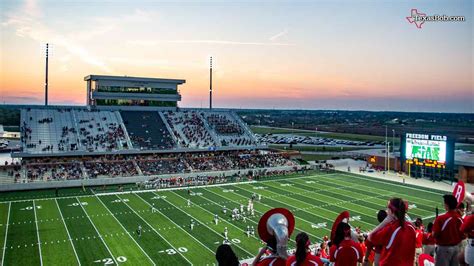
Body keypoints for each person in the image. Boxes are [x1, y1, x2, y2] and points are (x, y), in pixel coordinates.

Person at [368, 198, 416, 266]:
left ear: (391, 211)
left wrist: (386, 221)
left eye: (387, 208)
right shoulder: (411, 227)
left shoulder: (390, 229)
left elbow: (370, 237)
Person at [433, 195, 465, 266]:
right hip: (456, 248)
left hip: (443, 249)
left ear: (447, 205)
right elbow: (464, 235)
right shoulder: (460, 219)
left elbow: (434, 234)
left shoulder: (440, 218)